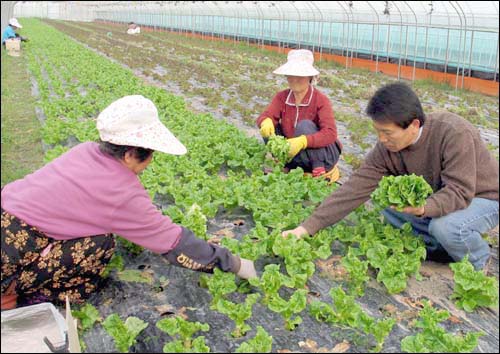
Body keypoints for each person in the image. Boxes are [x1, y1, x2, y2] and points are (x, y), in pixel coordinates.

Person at [1, 95, 256, 310]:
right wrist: (235, 264)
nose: (151, 162)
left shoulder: (85, 151)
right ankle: (21, 297)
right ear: (133, 153)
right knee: (99, 244)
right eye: (150, 155)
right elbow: (175, 242)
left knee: (97, 237)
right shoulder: (121, 192)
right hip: (8, 258)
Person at [283, 82, 499, 271]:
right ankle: (444, 245)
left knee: (446, 227)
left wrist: (424, 208)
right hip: (443, 197)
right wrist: (305, 228)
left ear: (414, 125)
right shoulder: (387, 149)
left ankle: (478, 263)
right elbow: (354, 189)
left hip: (484, 197)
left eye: (387, 132)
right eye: (378, 131)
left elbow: (460, 191)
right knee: (386, 205)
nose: (382, 139)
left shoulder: (453, 132)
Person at [256, 49, 342, 183]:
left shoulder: (321, 100)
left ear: (310, 77)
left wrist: (303, 141)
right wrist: (265, 121)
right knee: (270, 126)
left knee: (305, 125)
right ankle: (284, 164)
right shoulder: (282, 97)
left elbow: (330, 133)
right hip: (295, 154)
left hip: (323, 156)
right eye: (291, 75)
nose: (294, 80)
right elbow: (267, 115)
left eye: (300, 76)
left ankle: (317, 170)